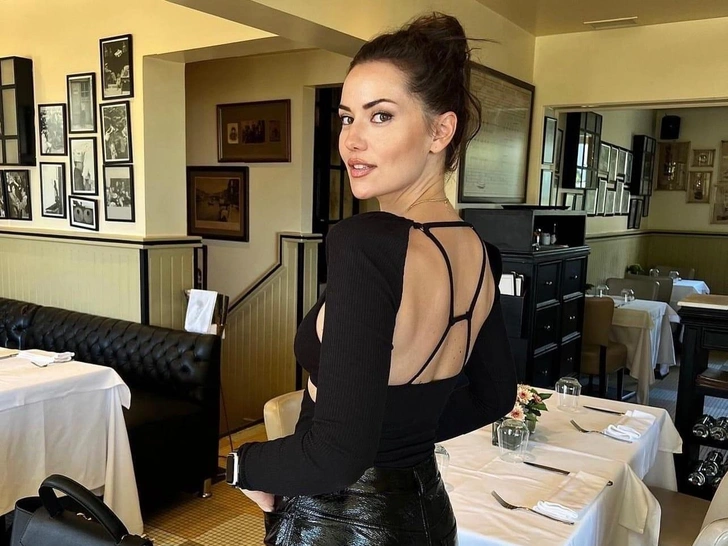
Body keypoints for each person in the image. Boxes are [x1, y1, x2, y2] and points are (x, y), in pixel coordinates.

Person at [228, 13, 517, 545]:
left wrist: (242, 464)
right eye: (346, 118)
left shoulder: (367, 243)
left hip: (340, 525)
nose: (352, 141)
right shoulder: (480, 254)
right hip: (427, 517)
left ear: (440, 131)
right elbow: (493, 397)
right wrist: (396, 441)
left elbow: (333, 457)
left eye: (380, 116)